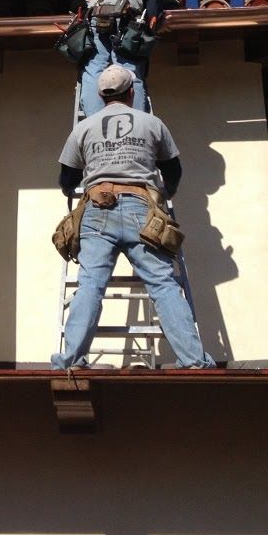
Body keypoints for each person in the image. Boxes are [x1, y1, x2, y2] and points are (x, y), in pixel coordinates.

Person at [53, 64, 214, 369]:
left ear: (101, 95)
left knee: (89, 285)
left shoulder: (84, 128)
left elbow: (66, 180)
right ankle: (193, 361)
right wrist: (164, 195)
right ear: (131, 92)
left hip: (97, 211)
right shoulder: (152, 123)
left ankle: (71, 361)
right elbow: (173, 170)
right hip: (143, 208)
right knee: (163, 284)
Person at [79, 0, 174, 119]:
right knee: (129, 68)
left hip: (94, 18)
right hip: (124, 18)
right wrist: (154, 28)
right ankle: (134, 119)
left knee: (94, 68)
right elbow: (153, 10)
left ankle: (95, 118)